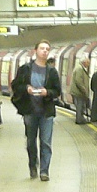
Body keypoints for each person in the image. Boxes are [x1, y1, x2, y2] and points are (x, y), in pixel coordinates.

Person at [10, 39, 61, 181]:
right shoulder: (25, 69)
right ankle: (33, 164)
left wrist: (47, 92)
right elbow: (15, 86)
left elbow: (57, 91)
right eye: (42, 48)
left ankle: (44, 171)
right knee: (31, 141)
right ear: (35, 51)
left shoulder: (52, 72)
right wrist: (27, 89)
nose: (45, 51)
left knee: (46, 142)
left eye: (47, 49)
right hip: (30, 111)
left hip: (46, 112)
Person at [71, 57, 92, 124]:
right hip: (78, 92)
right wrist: (84, 89)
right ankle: (79, 120)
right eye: (88, 63)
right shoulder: (80, 69)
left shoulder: (80, 68)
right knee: (80, 106)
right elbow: (78, 81)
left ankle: (81, 118)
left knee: (80, 106)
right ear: (84, 62)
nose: (88, 64)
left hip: (78, 92)